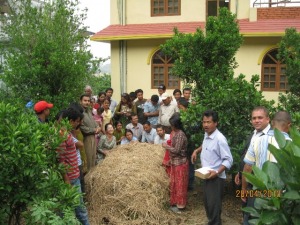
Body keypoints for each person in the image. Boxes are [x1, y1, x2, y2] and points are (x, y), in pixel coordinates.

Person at [241, 111, 292, 225]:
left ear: (272, 123)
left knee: (251, 220)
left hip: (257, 192)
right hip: (279, 197)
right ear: (289, 125)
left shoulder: (257, 140)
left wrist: (244, 190)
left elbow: (247, 168)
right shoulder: (292, 145)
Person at [191, 110, 233, 225]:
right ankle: (212, 221)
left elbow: (229, 159)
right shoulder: (207, 134)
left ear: (216, 123)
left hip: (216, 178)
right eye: (204, 122)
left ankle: (215, 222)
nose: (205, 125)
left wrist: (217, 172)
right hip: (206, 175)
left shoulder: (220, 139)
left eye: (208, 122)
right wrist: (196, 151)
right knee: (208, 203)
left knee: (214, 206)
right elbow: (205, 144)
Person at [234, 106, 271, 224]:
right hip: (247, 181)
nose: (256, 120)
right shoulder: (253, 134)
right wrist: (239, 173)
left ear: (267, 119)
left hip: (261, 186)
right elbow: (246, 157)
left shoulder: (271, 136)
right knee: (246, 210)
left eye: (260, 117)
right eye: (254, 118)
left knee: (254, 217)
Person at [57, 108, 90, 225]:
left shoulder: (68, 133)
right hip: (71, 178)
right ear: (71, 121)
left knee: (75, 208)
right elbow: (60, 161)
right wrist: (67, 182)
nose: (78, 123)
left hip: (74, 175)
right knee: (78, 209)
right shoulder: (61, 135)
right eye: (77, 121)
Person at [162, 113, 188, 213]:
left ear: (176, 125)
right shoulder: (175, 133)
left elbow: (176, 150)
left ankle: (180, 206)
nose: (171, 126)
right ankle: (175, 203)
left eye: (172, 124)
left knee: (180, 185)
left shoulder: (180, 135)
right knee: (175, 184)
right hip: (175, 162)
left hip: (180, 164)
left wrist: (166, 146)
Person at [79, 94, 101, 171]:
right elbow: (82, 127)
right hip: (85, 138)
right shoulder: (79, 112)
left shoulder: (88, 111)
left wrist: (98, 127)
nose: (87, 102)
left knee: (93, 158)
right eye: (85, 100)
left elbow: (94, 122)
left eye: (88, 101)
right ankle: (86, 180)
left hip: (93, 137)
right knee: (87, 160)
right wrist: (94, 130)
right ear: (80, 101)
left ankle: (91, 179)